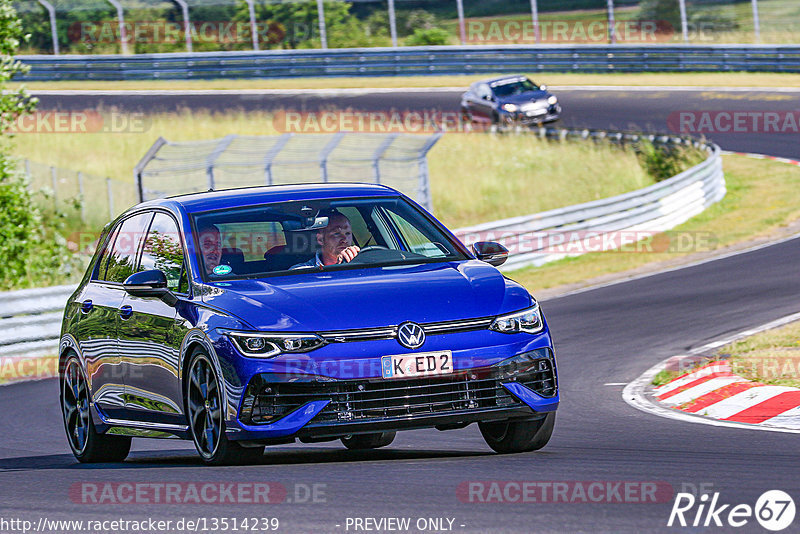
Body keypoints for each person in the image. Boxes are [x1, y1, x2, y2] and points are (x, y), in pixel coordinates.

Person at [291, 211, 360, 269]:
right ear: (320, 239)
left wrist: (359, 258)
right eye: (336, 234)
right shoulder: (302, 271)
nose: (345, 240)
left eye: (347, 233)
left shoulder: (362, 264)